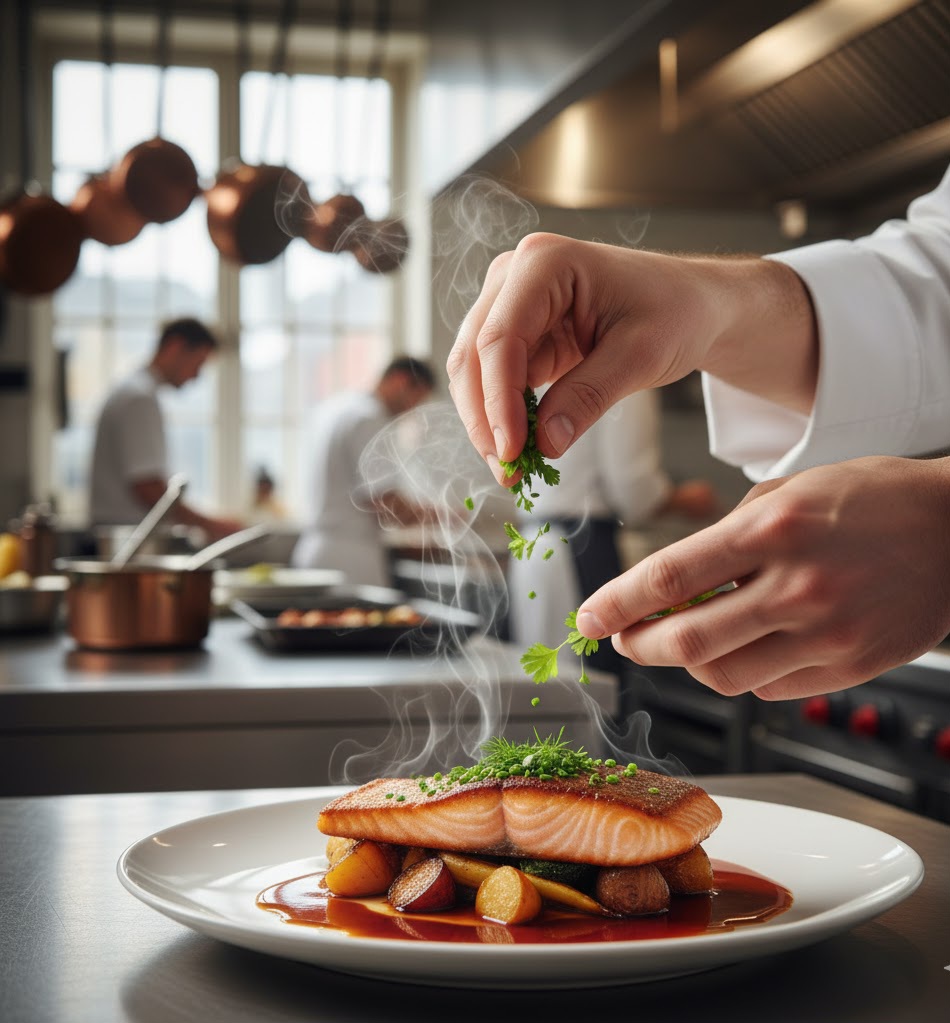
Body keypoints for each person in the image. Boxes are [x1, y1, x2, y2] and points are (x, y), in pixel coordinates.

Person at [447, 161, 950, 702]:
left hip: (539, 551)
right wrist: (711, 297)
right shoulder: (625, 380)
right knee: (585, 700)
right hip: (580, 549)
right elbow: (934, 276)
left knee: (557, 698)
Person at [507, 386, 718, 676]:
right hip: (579, 554)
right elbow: (632, 488)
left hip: (531, 549)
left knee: (543, 691)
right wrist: (683, 500)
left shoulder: (535, 376)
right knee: (589, 687)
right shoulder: (629, 381)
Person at [89, 317, 243, 542]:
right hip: (124, 541)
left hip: (121, 537)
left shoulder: (134, 391)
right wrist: (213, 525)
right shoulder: (139, 399)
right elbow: (148, 488)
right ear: (175, 346)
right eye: (197, 363)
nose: (196, 376)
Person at [291, 357, 436, 587]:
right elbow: (386, 503)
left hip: (313, 552)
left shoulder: (334, 409)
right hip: (350, 560)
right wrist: (443, 516)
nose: (412, 410)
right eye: (417, 399)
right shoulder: (370, 419)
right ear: (400, 381)